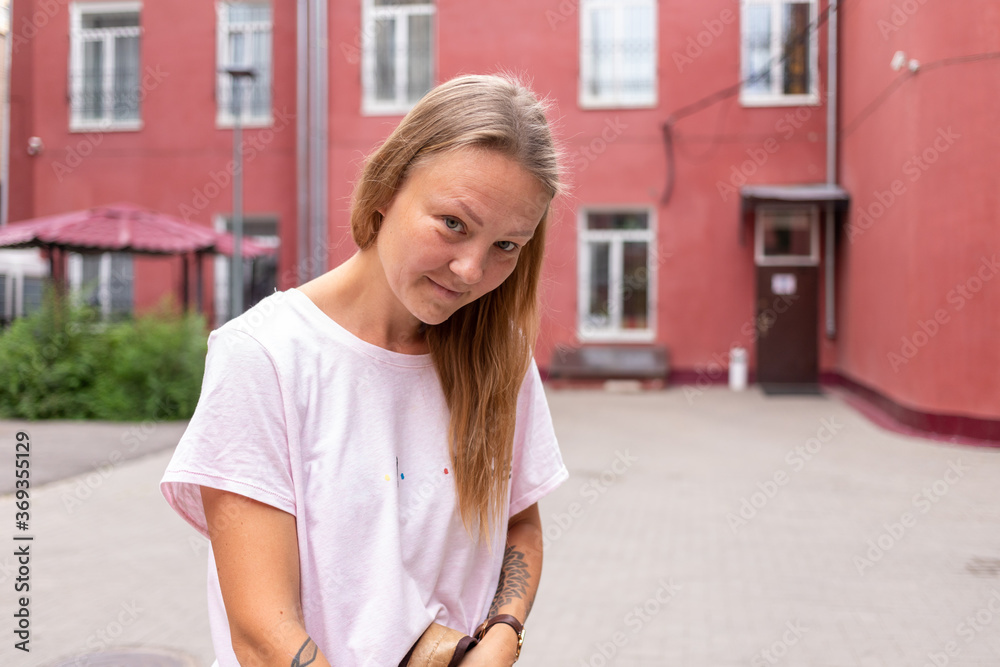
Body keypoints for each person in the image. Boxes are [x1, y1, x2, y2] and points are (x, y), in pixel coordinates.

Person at [160, 73, 569, 667]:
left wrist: (503, 633)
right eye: (454, 223)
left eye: (508, 245)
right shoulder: (266, 356)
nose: (471, 270)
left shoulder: (497, 356)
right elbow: (262, 635)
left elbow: (520, 524)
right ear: (386, 189)